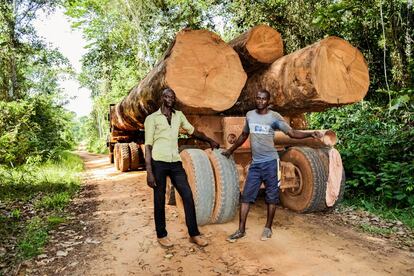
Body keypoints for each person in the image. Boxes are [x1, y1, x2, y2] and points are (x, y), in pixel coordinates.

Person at [222, 89, 322, 242]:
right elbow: (244, 135)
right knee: (246, 197)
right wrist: (230, 150)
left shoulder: (274, 117)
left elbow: (292, 133)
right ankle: (241, 230)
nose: (260, 101)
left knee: (271, 197)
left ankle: (268, 228)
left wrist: (310, 134)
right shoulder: (250, 115)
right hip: (256, 164)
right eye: (258, 98)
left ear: (268, 101)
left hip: (271, 163)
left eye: (263, 99)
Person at [144, 87, 219, 248]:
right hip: (158, 162)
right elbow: (148, 146)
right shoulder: (152, 118)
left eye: (173, 96)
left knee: (187, 195)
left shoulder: (179, 116)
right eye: (168, 96)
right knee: (159, 199)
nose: (171, 99)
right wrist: (149, 172)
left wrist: (209, 140)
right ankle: (161, 235)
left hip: (175, 162)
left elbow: (193, 132)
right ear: (162, 98)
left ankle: (194, 234)